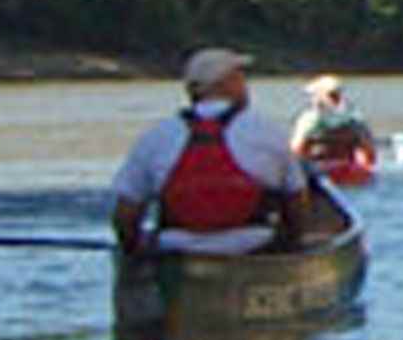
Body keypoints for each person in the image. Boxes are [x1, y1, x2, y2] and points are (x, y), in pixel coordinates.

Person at [111, 47, 311, 257]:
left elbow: (125, 213)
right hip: (253, 246)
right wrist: (292, 244)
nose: (245, 84)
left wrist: (133, 252)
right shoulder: (267, 131)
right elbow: (297, 200)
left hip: (176, 250)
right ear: (228, 83)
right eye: (240, 77)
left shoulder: (156, 136)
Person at [287, 74, 376, 163]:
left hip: (341, 170)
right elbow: (296, 152)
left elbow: (368, 153)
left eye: (314, 95)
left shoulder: (354, 120)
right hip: (321, 168)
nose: (313, 99)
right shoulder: (309, 119)